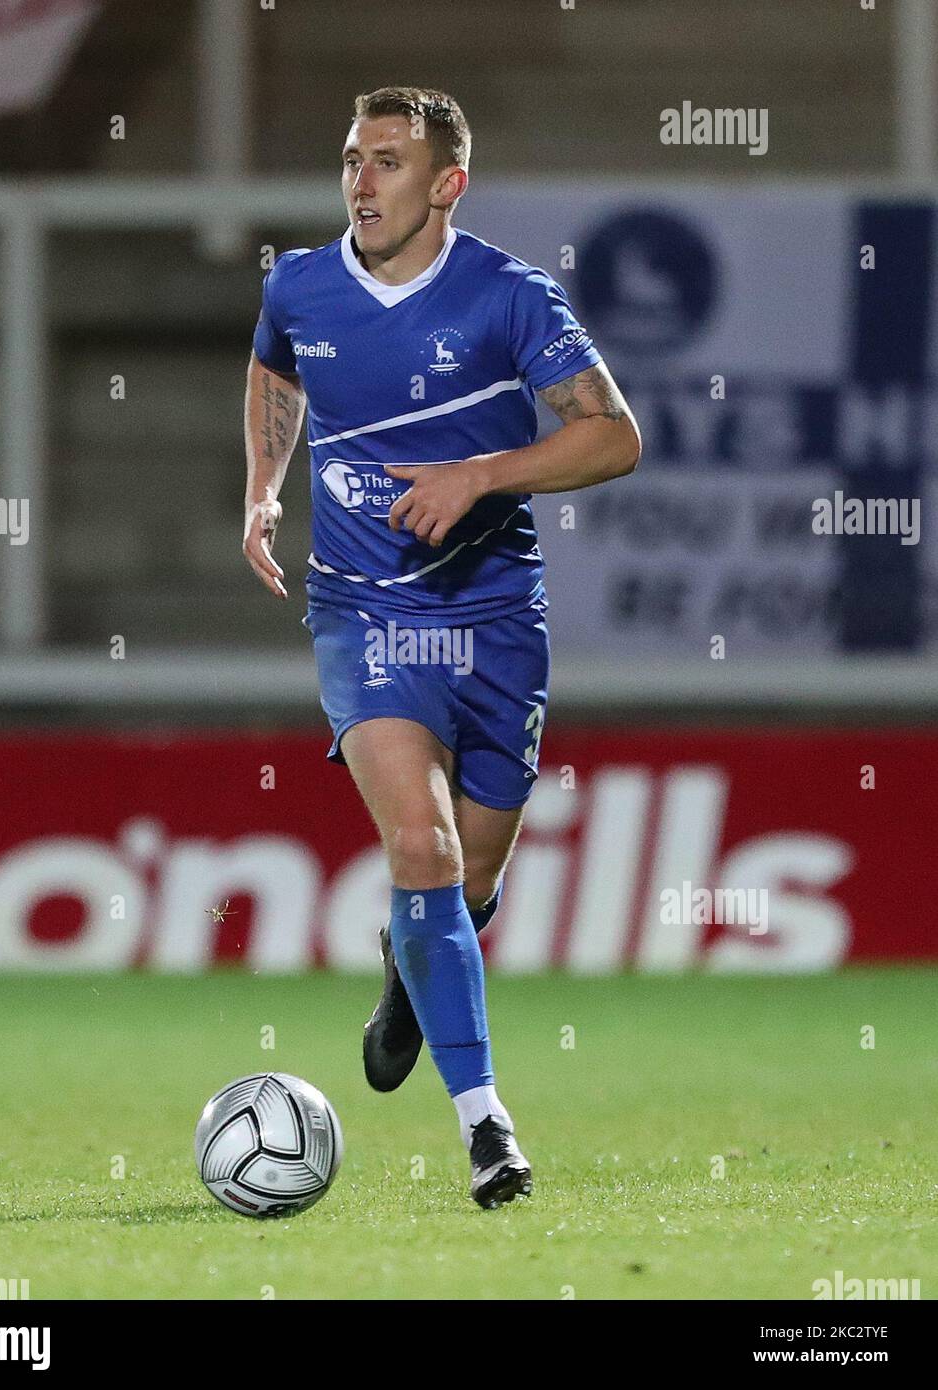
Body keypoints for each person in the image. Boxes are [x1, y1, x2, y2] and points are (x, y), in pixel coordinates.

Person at [243, 86, 640, 1208]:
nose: (360, 181)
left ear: (446, 184)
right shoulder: (301, 284)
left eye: (387, 161)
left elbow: (614, 435)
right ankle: (486, 1125)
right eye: (351, 158)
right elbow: (276, 368)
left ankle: (414, 968)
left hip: (494, 615)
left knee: (466, 876)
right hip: (360, 610)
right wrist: (262, 490)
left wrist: (478, 475)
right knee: (416, 849)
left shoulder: (509, 298)